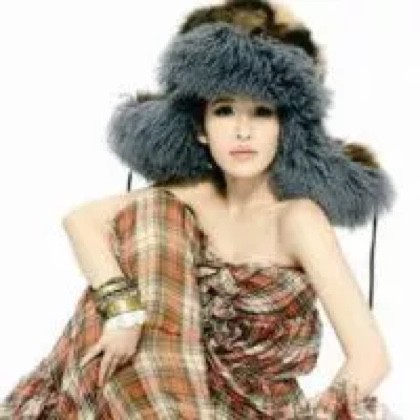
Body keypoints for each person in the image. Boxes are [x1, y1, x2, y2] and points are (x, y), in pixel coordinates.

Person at [0, 0, 399, 418]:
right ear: (201, 129)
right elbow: (81, 220)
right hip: (157, 392)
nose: (242, 131)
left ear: (284, 128)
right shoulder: (188, 200)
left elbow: (370, 358)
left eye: (261, 113)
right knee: (154, 213)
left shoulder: (296, 218)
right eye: (224, 111)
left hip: (256, 411)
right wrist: (124, 313)